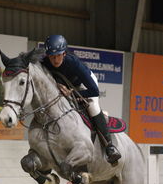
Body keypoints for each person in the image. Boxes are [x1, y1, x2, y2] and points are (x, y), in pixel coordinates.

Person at [41, 35, 121, 164]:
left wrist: (74, 93)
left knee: (93, 107)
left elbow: (94, 91)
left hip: (83, 86)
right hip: (63, 89)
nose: (55, 60)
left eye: (58, 55)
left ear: (64, 53)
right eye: (52, 56)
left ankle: (109, 147)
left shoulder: (74, 64)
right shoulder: (44, 63)